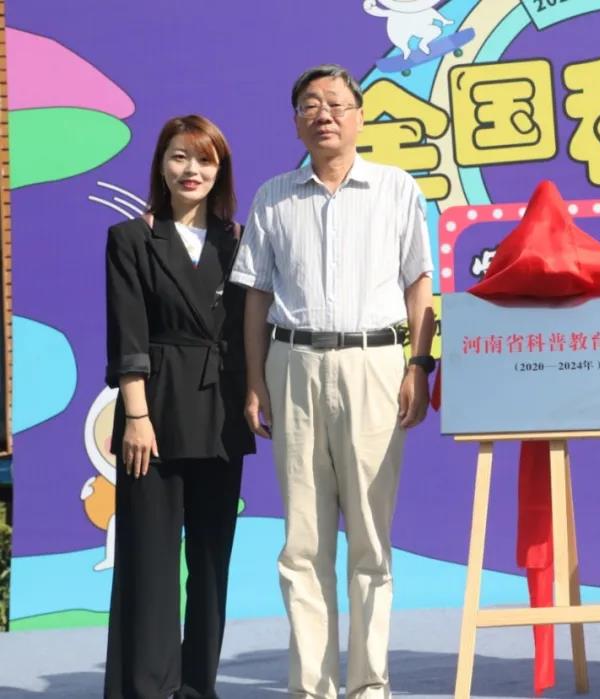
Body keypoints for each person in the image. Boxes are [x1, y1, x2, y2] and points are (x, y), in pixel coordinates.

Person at [229, 64, 435, 699]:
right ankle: (311, 687)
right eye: (310, 105)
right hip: (293, 364)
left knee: (370, 537)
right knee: (302, 541)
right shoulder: (273, 197)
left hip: (376, 364)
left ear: (360, 117)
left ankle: (369, 684)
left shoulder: (396, 188)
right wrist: (256, 380)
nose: (324, 115)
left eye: (337, 104)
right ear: (296, 121)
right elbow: (256, 297)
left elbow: (419, 284)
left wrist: (419, 365)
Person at [104, 114, 254, 698]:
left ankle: (197, 687)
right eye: (180, 157)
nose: (192, 170)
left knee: (212, 560)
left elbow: (253, 327)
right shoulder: (131, 238)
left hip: (221, 414)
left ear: (221, 171)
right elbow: (129, 337)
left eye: (205, 160)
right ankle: (148, 686)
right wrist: (137, 418)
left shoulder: (239, 240)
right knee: (150, 559)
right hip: (155, 414)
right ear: (161, 167)